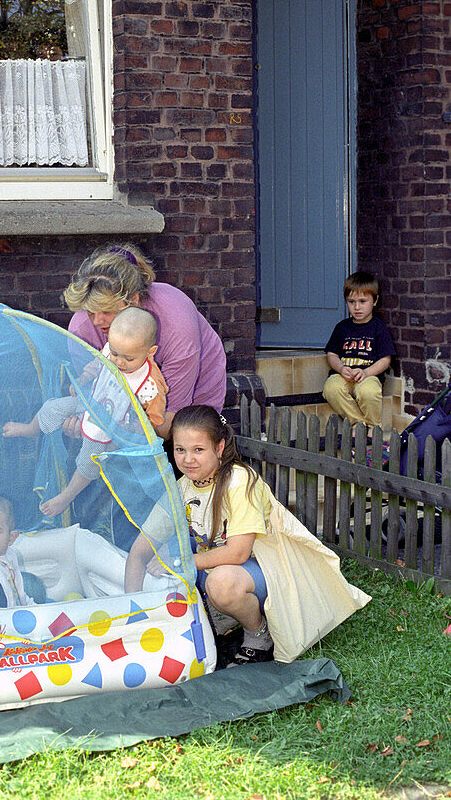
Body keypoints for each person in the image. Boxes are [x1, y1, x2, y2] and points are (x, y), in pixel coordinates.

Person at [124, 405, 370, 665]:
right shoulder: (181, 488)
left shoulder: (239, 481)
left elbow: (238, 553)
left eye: (198, 449)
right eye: (180, 450)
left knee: (220, 583)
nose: (187, 459)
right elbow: (139, 551)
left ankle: (258, 636)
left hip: (269, 570)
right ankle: (225, 616)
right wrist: (134, 614)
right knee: (169, 580)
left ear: (219, 448)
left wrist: (175, 561)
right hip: (229, 571)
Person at [3, 308, 168, 515]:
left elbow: (154, 418)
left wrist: (131, 428)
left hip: (112, 428)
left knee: (89, 460)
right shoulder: (112, 351)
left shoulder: (150, 383)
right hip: (91, 403)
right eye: (115, 354)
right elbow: (96, 364)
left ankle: (66, 496)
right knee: (53, 407)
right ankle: (31, 428)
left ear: (150, 352)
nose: (118, 362)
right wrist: (82, 380)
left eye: (128, 358)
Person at [64, 243, 226, 442]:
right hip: (122, 407)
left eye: (107, 310)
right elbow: (95, 395)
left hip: (192, 399)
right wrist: (81, 422)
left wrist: (126, 431)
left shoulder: (177, 323)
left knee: (186, 443)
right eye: (91, 311)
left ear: (133, 299)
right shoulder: (81, 330)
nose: (97, 321)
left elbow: (170, 420)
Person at [323, 271, 396, 429]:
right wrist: (341, 368)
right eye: (351, 302)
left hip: (368, 375)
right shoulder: (342, 328)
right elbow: (332, 354)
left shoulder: (379, 329)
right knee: (331, 389)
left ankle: (372, 426)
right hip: (343, 375)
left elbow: (385, 360)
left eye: (363, 301)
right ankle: (357, 423)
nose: (357, 307)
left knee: (369, 392)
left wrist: (366, 372)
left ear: (375, 301)